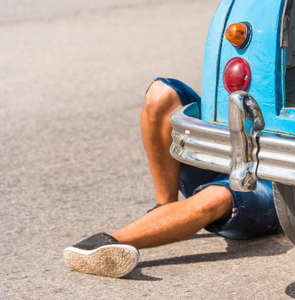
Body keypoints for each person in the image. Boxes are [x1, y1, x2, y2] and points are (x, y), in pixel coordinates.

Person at [63, 78, 282, 278]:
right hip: (228, 143)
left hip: (274, 182)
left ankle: (108, 244)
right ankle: (164, 207)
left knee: (219, 195)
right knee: (162, 93)